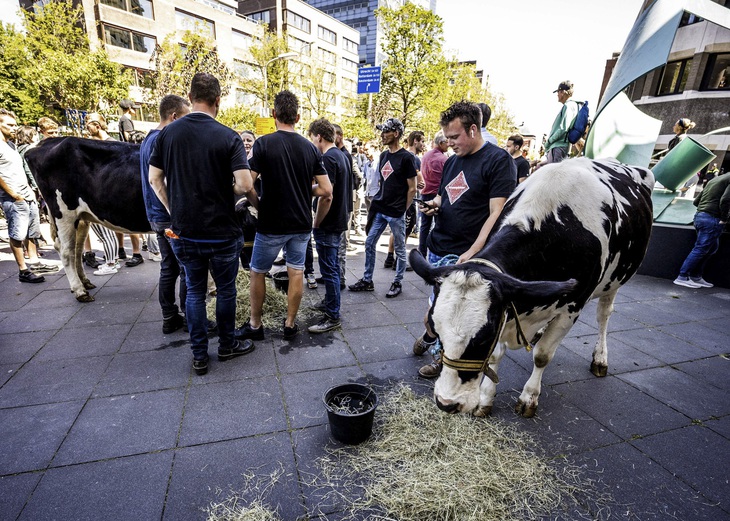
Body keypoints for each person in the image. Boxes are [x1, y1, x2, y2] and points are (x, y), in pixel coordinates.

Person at [149, 72, 258, 376]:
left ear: (190, 96)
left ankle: (199, 356)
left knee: (195, 291)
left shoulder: (167, 134)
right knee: (225, 290)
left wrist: (175, 208)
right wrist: (231, 189)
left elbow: (154, 179)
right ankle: (226, 345)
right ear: (218, 101)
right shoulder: (229, 136)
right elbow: (245, 183)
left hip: (185, 231)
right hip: (223, 231)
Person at [414, 101, 517, 378]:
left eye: (455, 137)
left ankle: (442, 358)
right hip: (438, 246)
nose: (450, 143)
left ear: (473, 129)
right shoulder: (451, 161)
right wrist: (433, 204)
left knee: (451, 316)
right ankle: (430, 336)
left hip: (466, 255)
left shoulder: (499, 160)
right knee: (434, 309)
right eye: (446, 138)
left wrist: (474, 250)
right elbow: (445, 197)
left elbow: (498, 213)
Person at [234, 90, 332, 342]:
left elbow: (247, 185)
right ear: (298, 117)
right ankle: (290, 324)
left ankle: (255, 325)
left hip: (271, 223)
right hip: (300, 223)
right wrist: (303, 191)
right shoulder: (311, 149)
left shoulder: (264, 144)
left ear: (274, 114)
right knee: (296, 272)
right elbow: (325, 189)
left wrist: (259, 204)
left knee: (257, 272)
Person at [140, 94, 191, 334]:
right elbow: (158, 180)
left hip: (156, 215)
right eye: (184, 118)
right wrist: (175, 211)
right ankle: (190, 316)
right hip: (168, 216)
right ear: (174, 117)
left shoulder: (147, 139)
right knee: (185, 267)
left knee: (169, 267)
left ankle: (170, 316)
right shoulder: (164, 140)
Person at [349, 117, 417, 298]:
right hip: (381, 209)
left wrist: (403, 209)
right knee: (369, 242)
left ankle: (397, 281)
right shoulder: (384, 155)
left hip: (396, 213)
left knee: (401, 249)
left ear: (396, 134)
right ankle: (367, 280)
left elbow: (413, 188)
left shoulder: (407, 158)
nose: (382, 135)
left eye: (385, 132)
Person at [0, 108, 56, 282]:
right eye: (9, 124)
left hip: (26, 194)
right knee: (17, 233)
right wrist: (13, 194)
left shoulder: (10, 144)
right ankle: (23, 270)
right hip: (13, 196)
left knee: (32, 231)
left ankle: (35, 261)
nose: (14, 127)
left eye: (15, 124)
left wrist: (29, 190)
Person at [308, 118, 349, 333]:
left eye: (311, 138)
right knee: (330, 267)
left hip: (329, 222)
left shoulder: (329, 158)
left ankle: (333, 315)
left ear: (319, 137)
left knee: (329, 269)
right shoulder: (340, 155)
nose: (311, 142)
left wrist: (317, 221)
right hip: (337, 220)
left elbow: (327, 195)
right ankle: (329, 303)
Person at [673, 173, 730, 289]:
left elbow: (696, 201)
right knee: (701, 249)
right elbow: (725, 200)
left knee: (711, 248)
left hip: (700, 216)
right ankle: (682, 277)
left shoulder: (716, 179)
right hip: (712, 219)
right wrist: (724, 219)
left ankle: (696, 276)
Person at [384, 130, 424, 268]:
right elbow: (418, 179)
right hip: (407, 199)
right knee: (405, 229)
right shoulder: (412, 158)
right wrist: (420, 182)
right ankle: (398, 260)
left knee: (396, 229)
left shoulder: (400, 155)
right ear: (415, 141)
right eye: (422, 141)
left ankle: (390, 257)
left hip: (396, 199)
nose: (423, 145)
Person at [418, 131, 448, 256]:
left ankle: (421, 253)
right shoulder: (444, 159)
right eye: (447, 142)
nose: (449, 145)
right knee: (439, 225)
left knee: (424, 226)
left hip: (425, 194)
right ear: (441, 143)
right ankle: (435, 253)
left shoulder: (426, 156)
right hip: (437, 195)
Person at [542, 81, 579, 165]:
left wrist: (549, 141)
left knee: (553, 176)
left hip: (558, 146)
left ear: (563, 92)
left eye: (558, 92)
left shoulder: (568, 106)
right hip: (562, 146)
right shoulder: (573, 105)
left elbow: (563, 128)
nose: (557, 95)